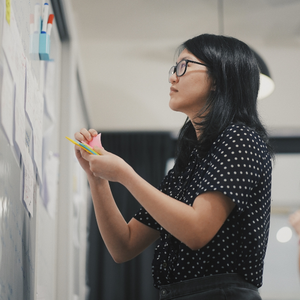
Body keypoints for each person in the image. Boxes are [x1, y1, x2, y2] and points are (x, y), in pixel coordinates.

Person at [74, 34, 273, 300]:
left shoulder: (240, 138)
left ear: (218, 78)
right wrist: (97, 177)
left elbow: (197, 230)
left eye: (184, 66)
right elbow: (123, 245)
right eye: (174, 68)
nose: (172, 78)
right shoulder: (189, 163)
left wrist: (124, 173)